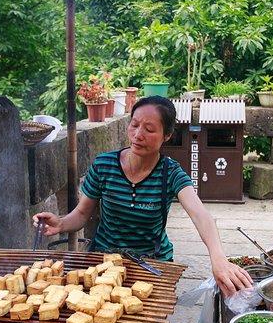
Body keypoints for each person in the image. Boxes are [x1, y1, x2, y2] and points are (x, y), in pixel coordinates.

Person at [32, 95, 252, 296]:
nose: (138, 135)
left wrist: (218, 258)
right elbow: (81, 214)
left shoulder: (170, 173)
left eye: (149, 129)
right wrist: (60, 223)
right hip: (104, 262)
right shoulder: (104, 165)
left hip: (152, 264)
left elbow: (200, 215)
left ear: (167, 135)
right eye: (134, 125)